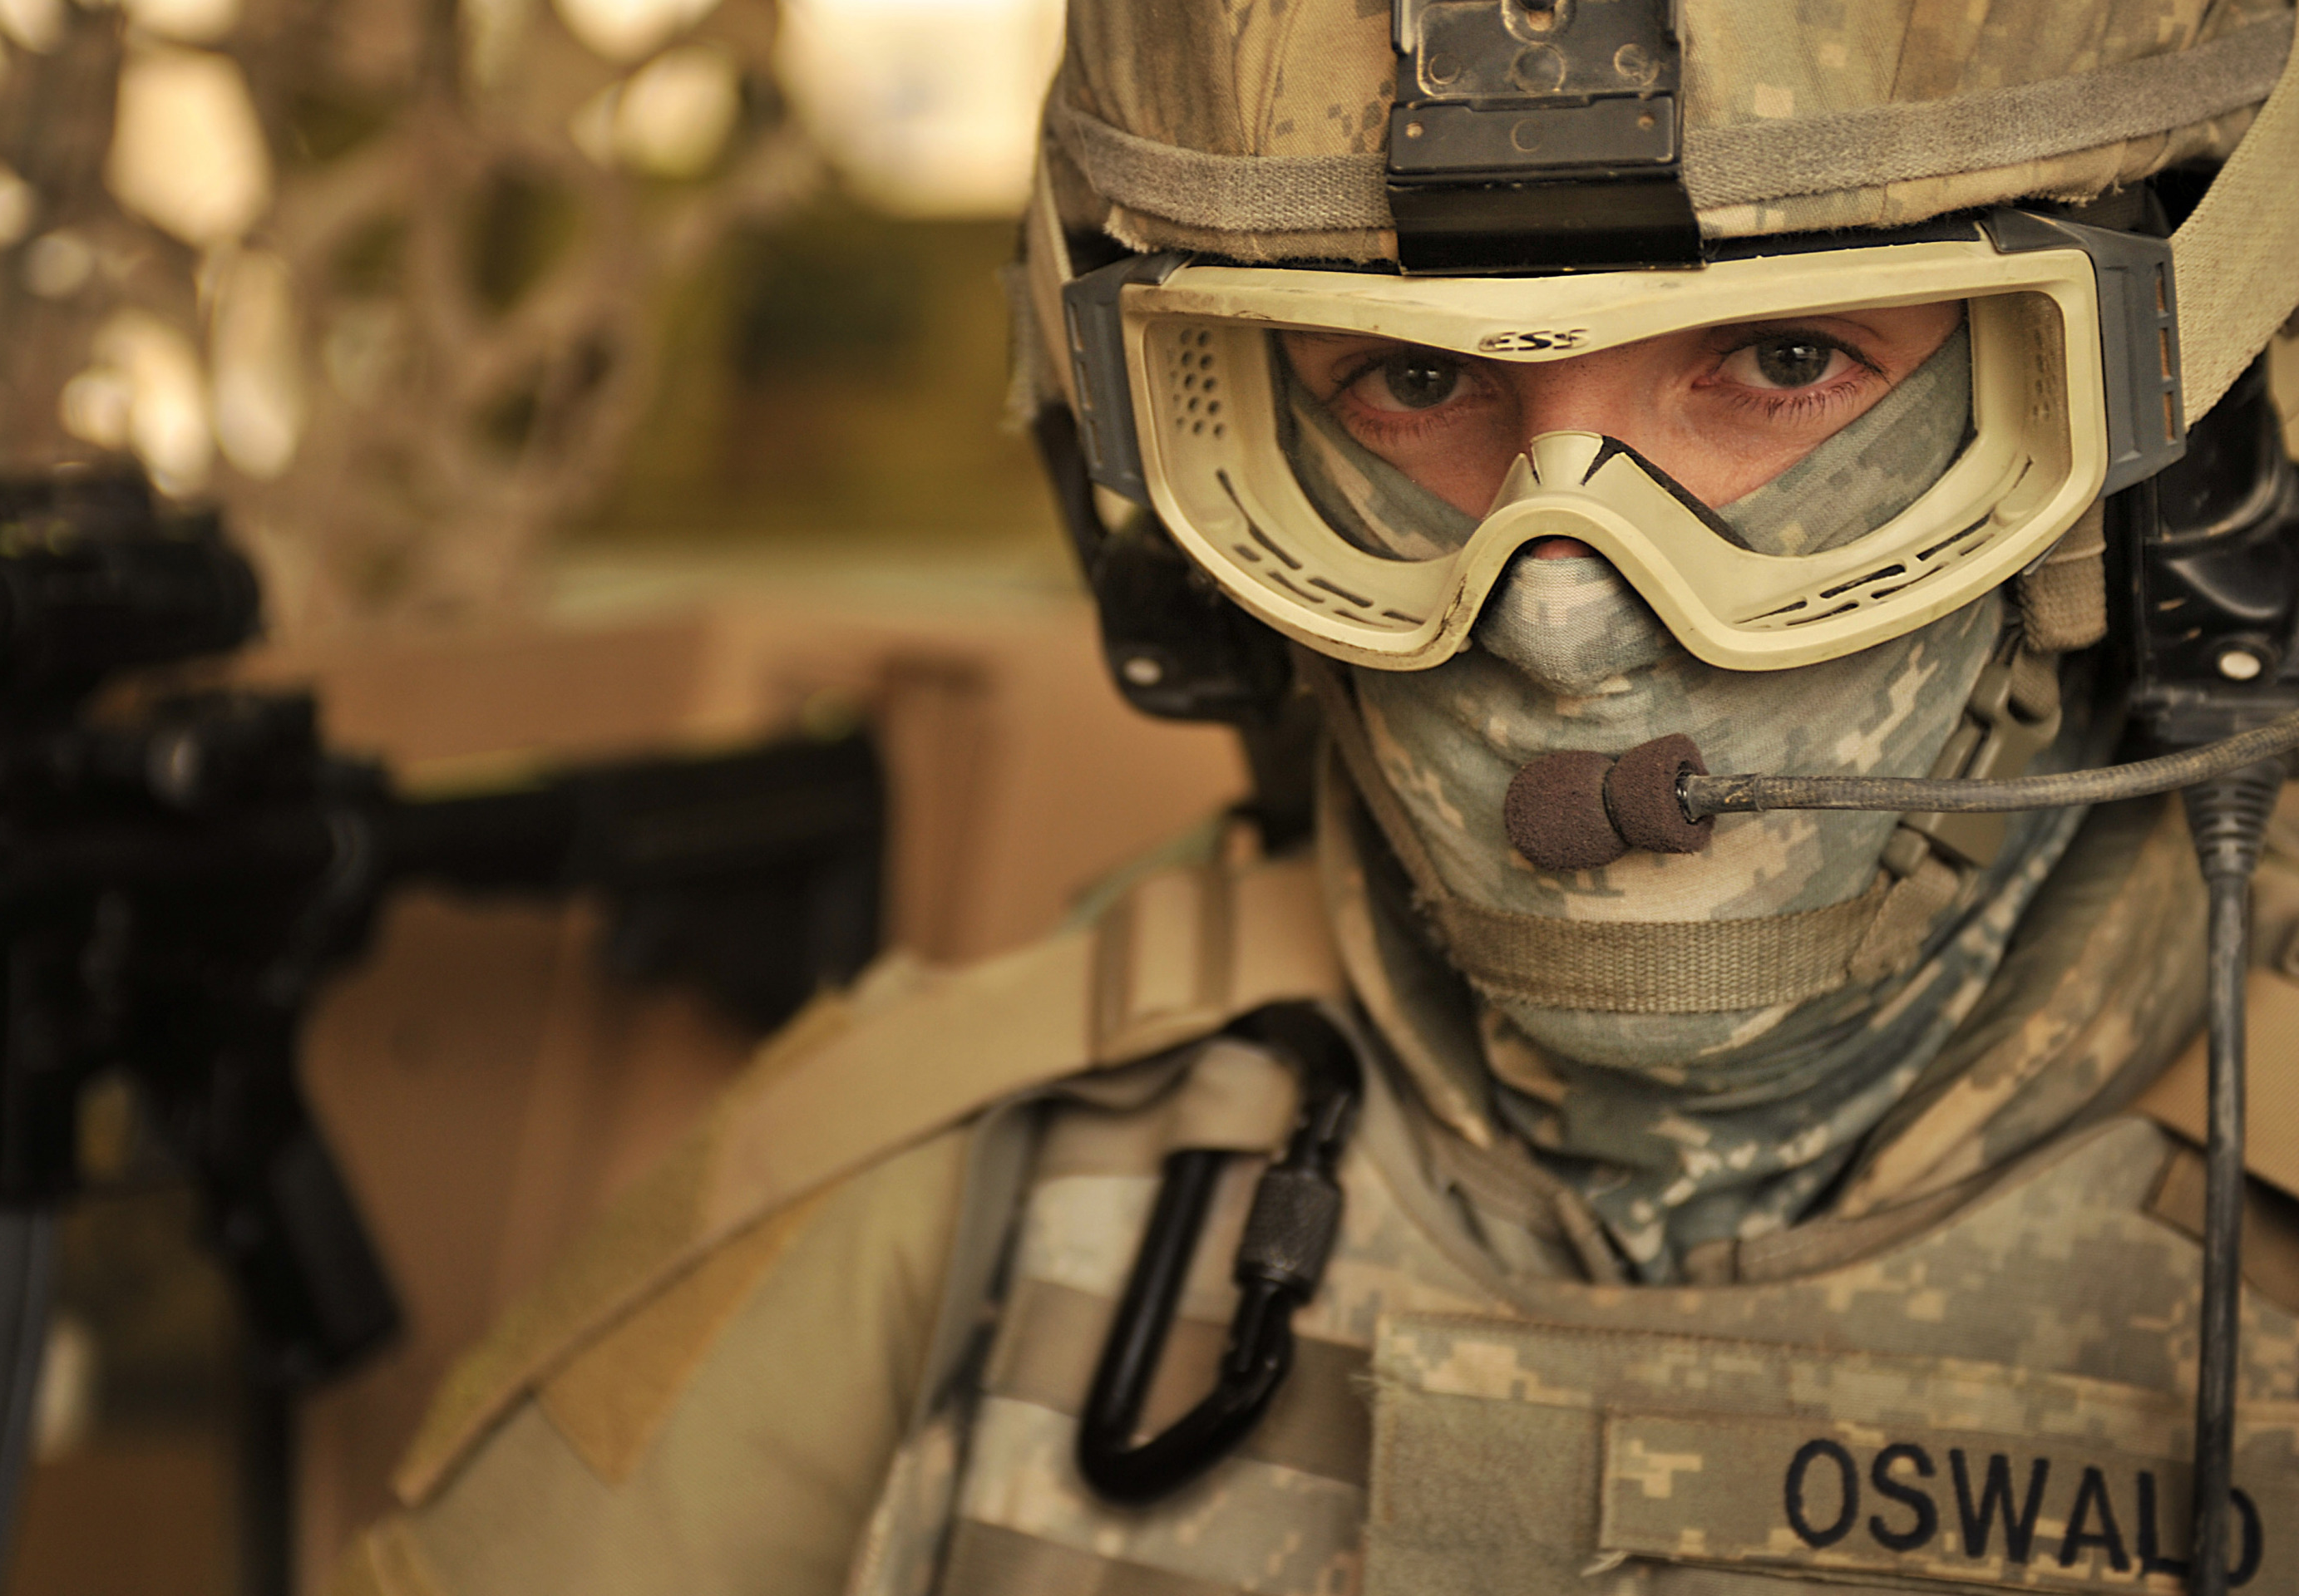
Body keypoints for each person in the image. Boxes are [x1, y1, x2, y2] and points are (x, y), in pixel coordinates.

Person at [324, 0, 2299, 1591]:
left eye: (1784, 362)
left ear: (2178, 478)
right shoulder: (944, 1173)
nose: (1564, 625)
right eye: (1411, 387)